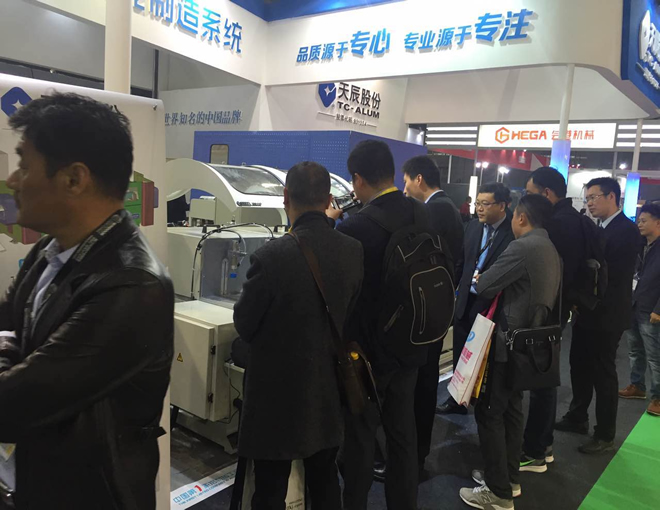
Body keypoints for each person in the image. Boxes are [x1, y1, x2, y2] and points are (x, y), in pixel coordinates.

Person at [0, 93, 173, 509]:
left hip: (91, 494)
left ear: (74, 179)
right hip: (34, 481)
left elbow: (13, 405)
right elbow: (8, 322)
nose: (13, 180)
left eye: (24, 165)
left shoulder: (132, 285)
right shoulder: (50, 250)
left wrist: (11, 353)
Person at [234, 162, 363, 510]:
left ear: (285, 196)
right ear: (329, 199)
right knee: (324, 482)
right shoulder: (353, 250)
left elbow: (244, 324)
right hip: (328, 391)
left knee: (270, 489)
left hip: (275, 396)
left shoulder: (270, 256)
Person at [335, 140, 420, 510]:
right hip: (413, 341)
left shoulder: (357, 227)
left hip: (367, 354)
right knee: (402, 435)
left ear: (358, 179)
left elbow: (341, 290)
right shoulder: (421, 213)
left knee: (360, 437)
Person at [460, 194, 561, 510]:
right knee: (512, 412)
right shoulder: (549, 247)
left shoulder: (523, 247)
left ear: (521, 217)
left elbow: (485, 285)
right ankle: (508, 478)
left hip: (506, 344)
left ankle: (498, 492)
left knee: (490, 413)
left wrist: (481, 278)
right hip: (527, 344)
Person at [556, 178, 641, 454]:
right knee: (579, 364)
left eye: (594, 197)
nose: (589, 203)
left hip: (607, 315)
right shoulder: (599, 227)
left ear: (612, 197)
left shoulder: (626, 231)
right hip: (588, 311)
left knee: (603, 374)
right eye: (587, 198)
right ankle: (577, 416)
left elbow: (609, 277)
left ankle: (604, 434)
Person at [521, 166, 589, 471]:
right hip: (559, 310)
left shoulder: (556, 225)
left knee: (541, 380)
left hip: (547, 311)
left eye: (530, 193)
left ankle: (535, 450)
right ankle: (542, 445)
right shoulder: (575, 219)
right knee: (544, 378)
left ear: (546, 193)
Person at [401, 155, 463, 472]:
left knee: (422, 386)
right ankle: (416, 453)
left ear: (419, 179)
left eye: (406, 181)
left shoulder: (434, 210)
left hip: (426, 313)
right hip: (437, 309)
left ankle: (414, 456)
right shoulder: (447, 207)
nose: (405, 188)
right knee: (424, 383)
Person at [437, 183, 514, 415]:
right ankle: (458, 398)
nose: (479, 208)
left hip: (490, 304)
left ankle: (483, 402)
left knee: (484, 356)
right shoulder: (472, 226)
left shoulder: (512, 231)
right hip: (465, 300)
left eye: (485, 204)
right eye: (477, 203)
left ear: (502, 206)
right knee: (461, 350)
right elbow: (462, 261)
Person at [619, 202, 660, 417]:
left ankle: (658, 397)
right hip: (634, 304)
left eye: (644, 221)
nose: (639, 224)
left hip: (652, 309)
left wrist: (658, 309)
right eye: (639, 220)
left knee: (655, 355)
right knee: (635, 350)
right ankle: (637, 386)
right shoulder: (641, 246)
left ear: (658, 223)